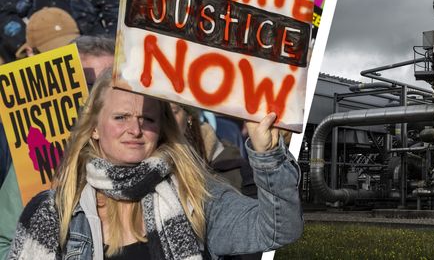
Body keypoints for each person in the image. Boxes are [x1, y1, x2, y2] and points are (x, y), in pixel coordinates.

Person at [7, 69, 303, 259]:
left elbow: (279, 229)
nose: (135, 130)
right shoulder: (51, 212)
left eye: (147, 119)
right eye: (120, 117)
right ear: (94, 127)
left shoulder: (195, 196)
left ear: (161, 128)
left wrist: (267, 154)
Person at [0, 35, 115, 259]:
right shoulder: (34, 160)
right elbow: (4, 241)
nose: (96, 95)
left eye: (109, 83)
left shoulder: (138, 151)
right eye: (88, 84)